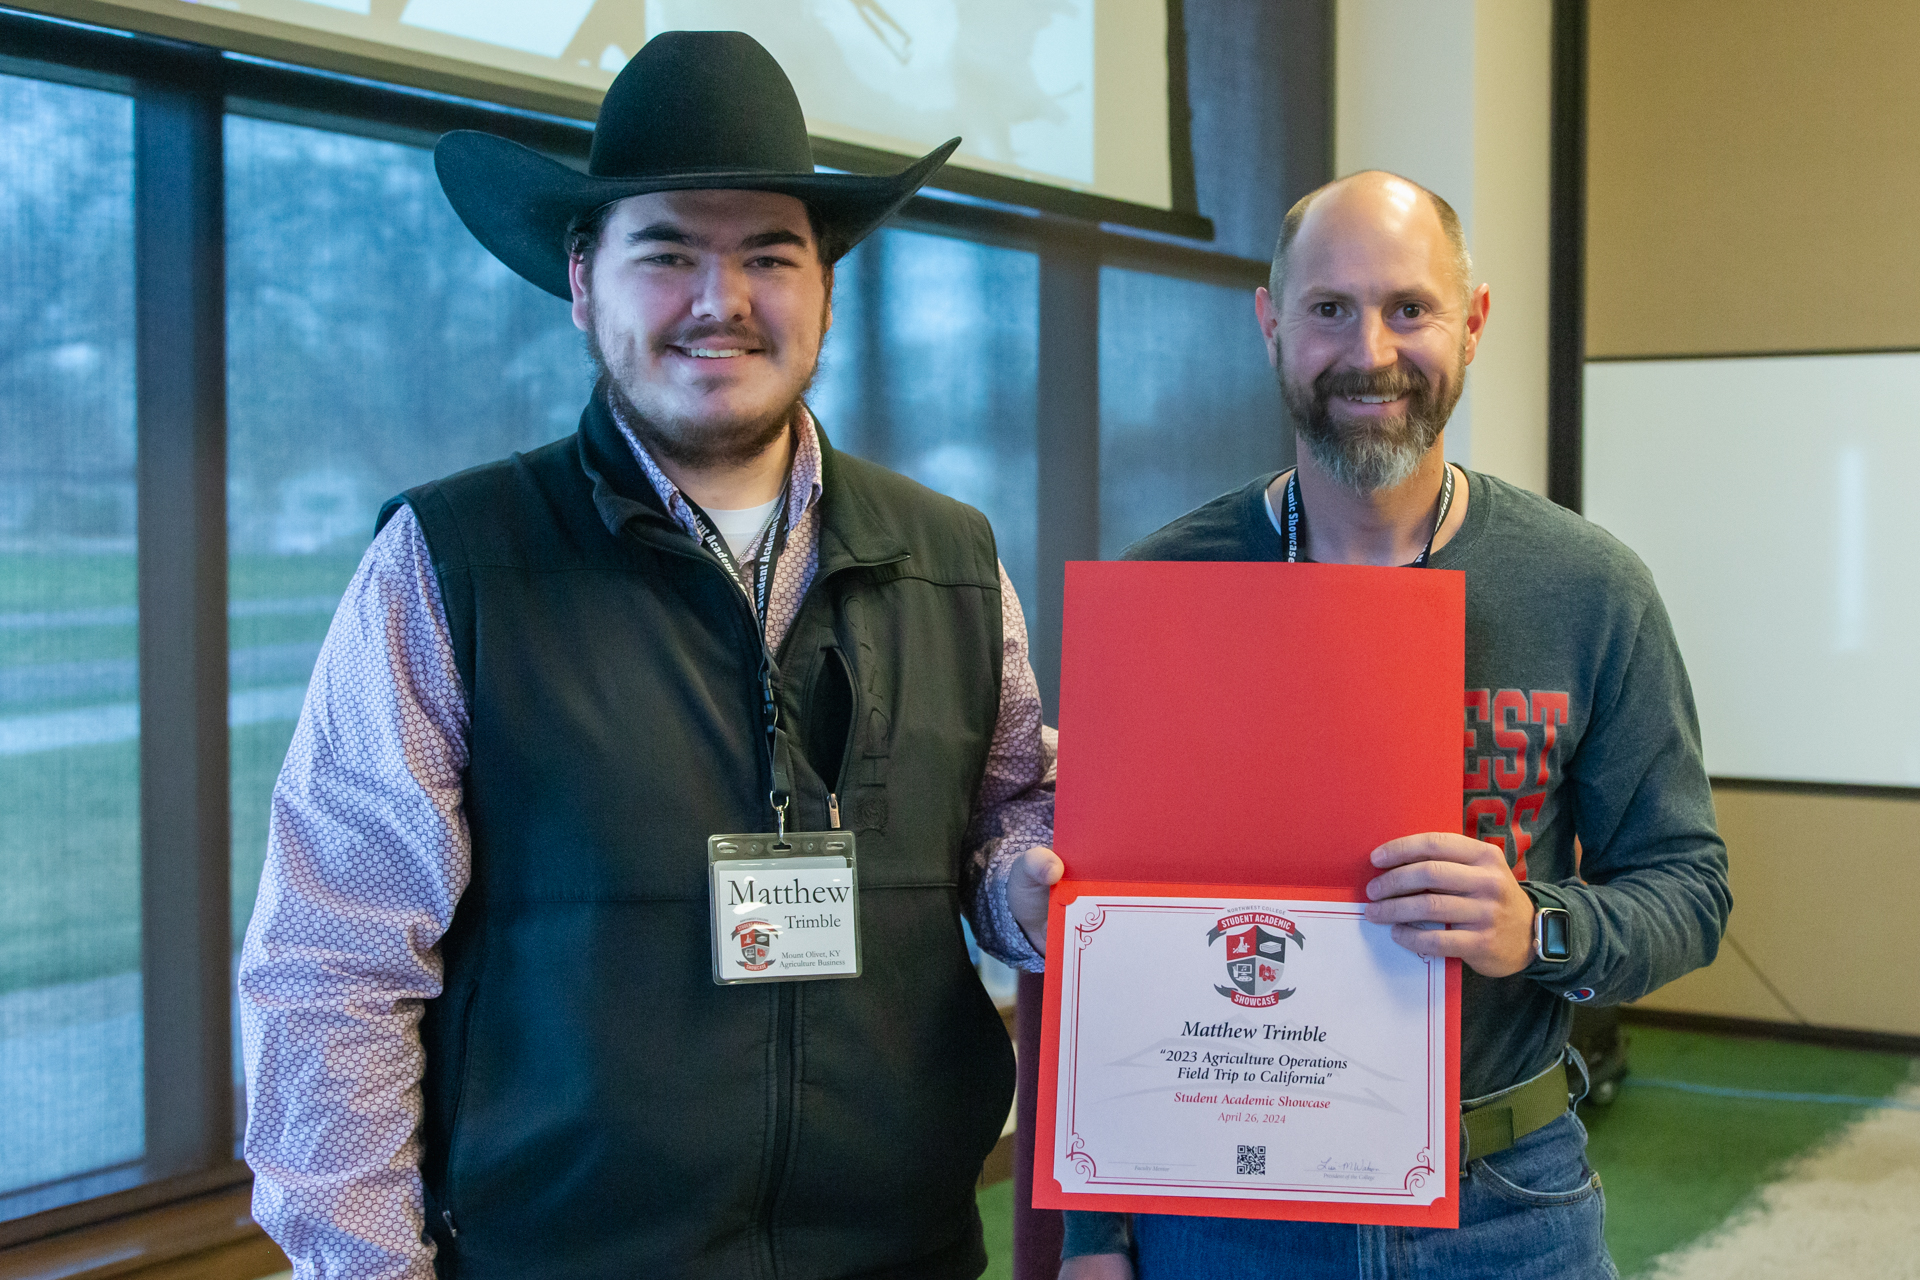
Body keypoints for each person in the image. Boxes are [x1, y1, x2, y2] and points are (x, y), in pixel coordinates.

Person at [239, 31, 1063, 1280]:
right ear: (583, 282)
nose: (719, 299)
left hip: (906, 1253)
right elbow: (330, 967)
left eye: (768, 256)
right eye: (666, 252)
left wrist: (1042, 887)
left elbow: (1006, 830)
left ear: (826, 289)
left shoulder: (951, 560)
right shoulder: (450, 565)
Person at [1057, 171, 1730, 1278]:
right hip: (1225, 1208)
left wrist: (1536, 929)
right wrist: (1094, 1231)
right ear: (1271, 323)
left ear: (1472, 323)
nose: (1370, 350)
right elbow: (1112, 924)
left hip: (1507, 1201)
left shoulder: (1589, 588)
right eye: (1329, 308)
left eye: (1410, 308)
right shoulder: (1168, 588)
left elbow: (1688, 888)